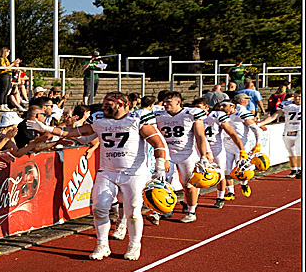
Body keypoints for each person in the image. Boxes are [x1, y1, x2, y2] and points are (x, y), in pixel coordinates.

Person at [27, 92, 169, 261]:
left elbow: (157, 143)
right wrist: (47, 129)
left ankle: (134, 244)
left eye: (109, 104)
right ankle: (102, 245)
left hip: (134, 172)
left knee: (133, 212)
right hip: (108, 170)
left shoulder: (136, 118)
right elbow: (76, 132)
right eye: (103, 104)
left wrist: (160, 166)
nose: (104, 107)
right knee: (99, 207)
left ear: (122, 105)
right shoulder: (98, 119)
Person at [148, 91, 212, 224]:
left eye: (168, 102)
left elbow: (200, 136)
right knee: (161, 182)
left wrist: (204, 155)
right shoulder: (158, 114)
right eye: (164, 102)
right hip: (167, 155)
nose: (165, 105)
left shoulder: (191, 114)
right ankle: (157, 211)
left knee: (188, 185)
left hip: (186, 155)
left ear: (178, 102)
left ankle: (191, 211)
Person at [192, 96, 245, 208]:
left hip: (216, 148)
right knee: (197, 174)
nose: (196, 110)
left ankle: (220, 197)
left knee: (220, 174)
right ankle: (194, 200)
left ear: (206, 107)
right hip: (199, 149)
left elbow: (232, 133)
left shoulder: (216, 115)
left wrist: (242, 149)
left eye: (198, 107)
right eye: (195, 107)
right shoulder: (192, 116)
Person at [257, 90, 301, 180]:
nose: (297, 98)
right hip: (288, 131)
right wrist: (262, 123)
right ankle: (294, 170)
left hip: (300, 130)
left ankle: (300, 170)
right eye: (296, 96)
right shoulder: (286, 104)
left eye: (300, 96)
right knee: (291, 151)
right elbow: (275, 116)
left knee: (299, 150)